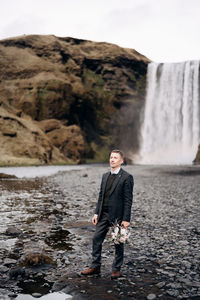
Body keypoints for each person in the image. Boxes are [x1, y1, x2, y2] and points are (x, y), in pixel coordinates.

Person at [81, 149, 134, 279]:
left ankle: (116, 269)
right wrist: (96, 213)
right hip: (103, 214)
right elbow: (101, 196)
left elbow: (128, 200)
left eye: (115, 158)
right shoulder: (105, 176)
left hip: (118, 216)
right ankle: (95, 267)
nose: (112, 160)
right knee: (96, 239)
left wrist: (126, 219)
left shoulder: (127, 177)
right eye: (111, 157)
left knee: (118, 242)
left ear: (121, 161)